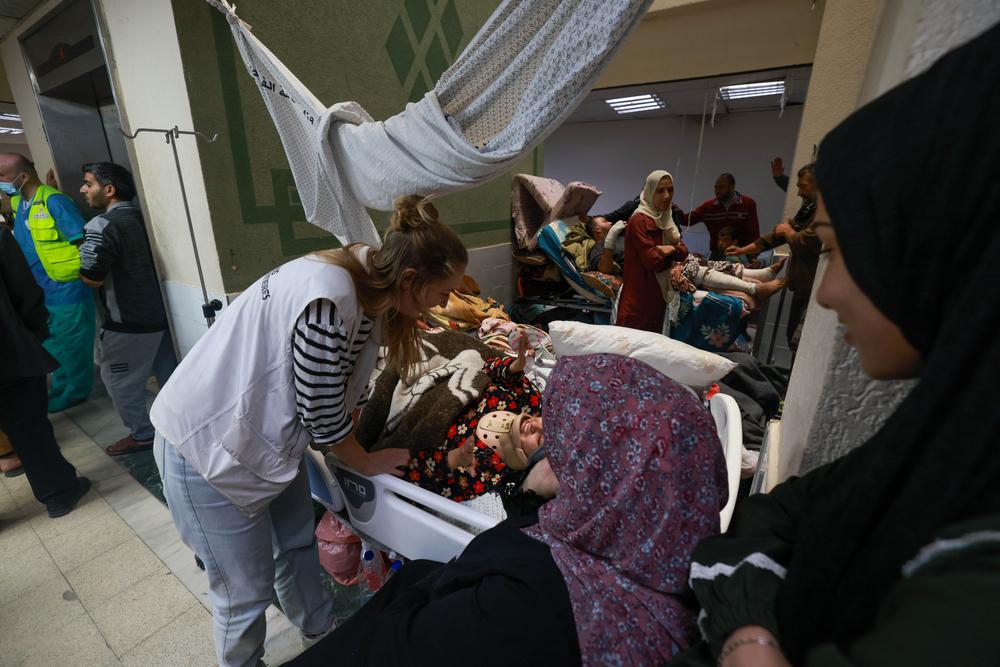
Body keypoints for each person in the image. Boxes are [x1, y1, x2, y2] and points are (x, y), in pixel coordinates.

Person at [672, 25, 1000, 666]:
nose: (828, 294)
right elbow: (779, 513)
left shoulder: (977, 574)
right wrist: (752, 638)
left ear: (941, 247)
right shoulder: (939, 441)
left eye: (842, 249)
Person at [151, 195, 468, 667]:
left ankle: (319, 630)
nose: (446, 304)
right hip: (205, 448)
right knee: (243, 593)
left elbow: (348, 383)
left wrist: (361, 436)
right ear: (409, 280)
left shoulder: (366, 286)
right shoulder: (328, 295)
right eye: (442, 293)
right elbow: (321, 412)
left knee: (298, 544)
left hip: (264, 443)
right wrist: (363, 460)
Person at [290, 353, 728, 666]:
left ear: (602, 478)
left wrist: (469, 470)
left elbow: (392, 646)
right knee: (421, 570)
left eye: (561, 443)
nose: (543, 434)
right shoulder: (667, 574)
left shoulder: (525, 608)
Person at [77, 162, 177, 457]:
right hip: (164, 317)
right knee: (170, 378)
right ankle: (177, 428)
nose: (83, 189)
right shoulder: (147, 219)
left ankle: (143, 434)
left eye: (88, 183)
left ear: (109, 190)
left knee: (119, 382)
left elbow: (92, 278)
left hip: (128, 324)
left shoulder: (101, 225)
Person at [0, 227, 91, 517]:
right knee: (29, 428)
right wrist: (34, 333)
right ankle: (58, 493)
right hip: (8, 355)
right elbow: (25, 292)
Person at [0, 154, 95, 412]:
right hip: (40, 290)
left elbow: (83, 243)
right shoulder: (21, 201)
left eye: (2, 177)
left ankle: (76, 391)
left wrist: (89, 277)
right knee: (53, 343)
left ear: (23, 176)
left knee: (73, 345)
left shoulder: (55, 202)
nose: (0, 183)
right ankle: (62, 385)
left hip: (66, 288)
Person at [405, 334, 543, 502]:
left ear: (532, 460)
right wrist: (514, 367)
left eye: (540, 439)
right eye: (547, 424)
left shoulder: (488, 473)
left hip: (420, 415)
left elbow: (413, 482)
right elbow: (487, 369)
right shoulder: (533, 404)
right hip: (445, 377)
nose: (536, 426)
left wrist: (454, 458)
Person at [726, 163, 821, 350]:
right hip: (803, 285)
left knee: (800, 343)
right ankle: (759, 280)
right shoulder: (811, 208)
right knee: (794, 339)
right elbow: (777, 235)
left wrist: (788, 232)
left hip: (813, 289)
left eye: (803, 186)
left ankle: (757, 282)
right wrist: (743, 250)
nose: (800, 193)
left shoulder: (827, 212)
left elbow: (805, 243)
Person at [615, 170, 688, 332]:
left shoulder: (666, 218)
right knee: (630, 350)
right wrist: (674, 254)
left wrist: (671, 249)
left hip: (657, 298)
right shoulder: (639, 220)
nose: (667, 196)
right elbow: (653, 261)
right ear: (649, 191)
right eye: (660, 191)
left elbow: (684, 251)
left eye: (670, 190)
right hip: (638, 301)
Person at [687, 173, 761, 254]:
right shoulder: (708, 206)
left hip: (741, 254)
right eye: (716, 187)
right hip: (717, 255)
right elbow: (687, 220)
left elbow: (754, 233)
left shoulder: (748, 203)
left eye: (721, 187)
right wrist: (673, 208)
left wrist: (754, 256)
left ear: (732, 187)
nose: (717, 191)